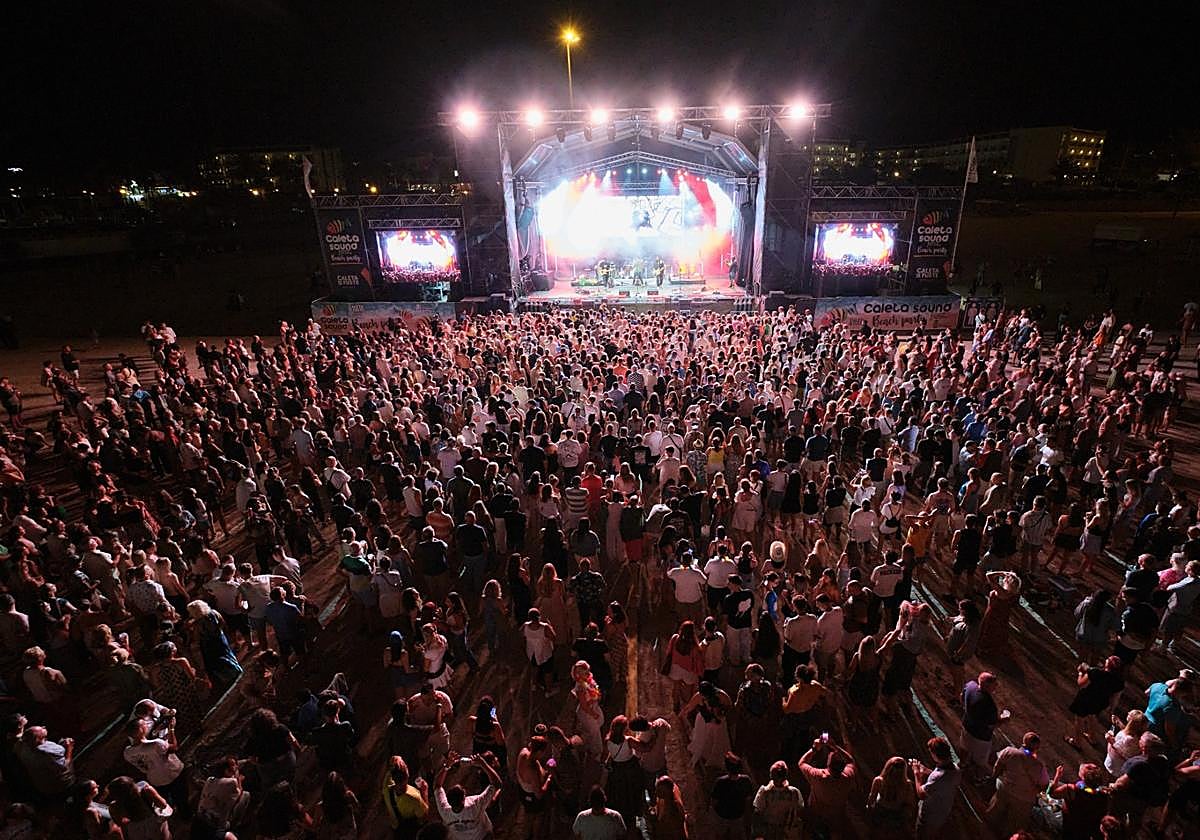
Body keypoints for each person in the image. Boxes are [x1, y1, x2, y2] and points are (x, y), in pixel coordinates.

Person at [987, 731, 1049, 837]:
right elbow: (1044, 785)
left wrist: (993, 778)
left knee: (993, 812)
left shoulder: (1009, 751)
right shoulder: (1039, 766)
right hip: (1024, 799)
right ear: (1037, 748)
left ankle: (985, 832)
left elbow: (998, 767)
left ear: (1023, 742)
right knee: (1014, 826)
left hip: (1005, 789)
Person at [797, 736, 857, 838]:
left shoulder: (818, 776)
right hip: (836, 819)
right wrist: (835, 747)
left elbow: (801, 763)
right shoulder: (848, 776)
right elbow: (851, 761)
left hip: (816, 817)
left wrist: (814, 749)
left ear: (828, 763)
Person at [433, 752, 502, 840]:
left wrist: (447, 765)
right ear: (464, 798)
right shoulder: (474, 804)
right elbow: (497, 783)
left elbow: (437, 785)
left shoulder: (445, 812)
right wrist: (483, 764)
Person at [1065, 656, 1125, 748]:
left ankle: (1077, 742)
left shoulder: (1096, 672)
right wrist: (1111, 709)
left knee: (1079, 719)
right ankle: (1092, 738)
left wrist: (1081, 672)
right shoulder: (1120, 682)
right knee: (1092, 716)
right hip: (1100, 702)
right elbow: (1115, 698)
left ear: (1107, 664)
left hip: (1085, 699)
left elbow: (1081, 684)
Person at [960, 672, 1008, 783]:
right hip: (981, 736)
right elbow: (992, 724)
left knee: (964, 746)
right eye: (994, 685)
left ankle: (962, 763)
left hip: (966, 725)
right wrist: (1004, 720)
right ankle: (978, 778)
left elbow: (961, 696)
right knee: (980, 760)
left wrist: (968, 709)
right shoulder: (989, 704)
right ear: (988, 686)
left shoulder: (970, 685)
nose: (996, 687)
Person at [913, 736, 960, 839]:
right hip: (943, 810)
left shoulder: (937, 777)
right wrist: (926, 770)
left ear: (935, 755)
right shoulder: (955, 768)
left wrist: (916, 774)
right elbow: (942, 779)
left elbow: (921, 793)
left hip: (930, 815)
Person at [1049, 762, 1109, 840]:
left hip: (1070, 828)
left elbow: (1052, 794)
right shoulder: (1103, 795)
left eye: (1088, 767)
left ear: (1083, 777)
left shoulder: (1071, 789)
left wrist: (1057, 776)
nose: (1084, 765)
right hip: (1086, 831)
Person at [866, 756, 917, 839]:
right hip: (894, 817)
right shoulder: (907, 785)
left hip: (886, 816)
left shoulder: (879, 781)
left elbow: (871, 801)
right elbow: (911, 803)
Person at [751, 760, 802, 840]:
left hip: (772, 831)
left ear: (771, 775)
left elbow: (757, 812)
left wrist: (757, 834)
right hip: (784, 831)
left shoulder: (765, 792)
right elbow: (799, 810)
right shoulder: (794, 792)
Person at [381, 756, 430, 839]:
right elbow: (424, 817)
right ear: (407, 774)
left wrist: (396, 763)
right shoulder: (413, 798)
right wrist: (424, 791)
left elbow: (392, 764)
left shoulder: (386, 787)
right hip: (410, 830)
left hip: (396, 827)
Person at [710, 752, 754, 839]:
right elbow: (748, 800)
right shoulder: (746, 781)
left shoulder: (720, 782)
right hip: (738, 816)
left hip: (722, 817)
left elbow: (714, 801)